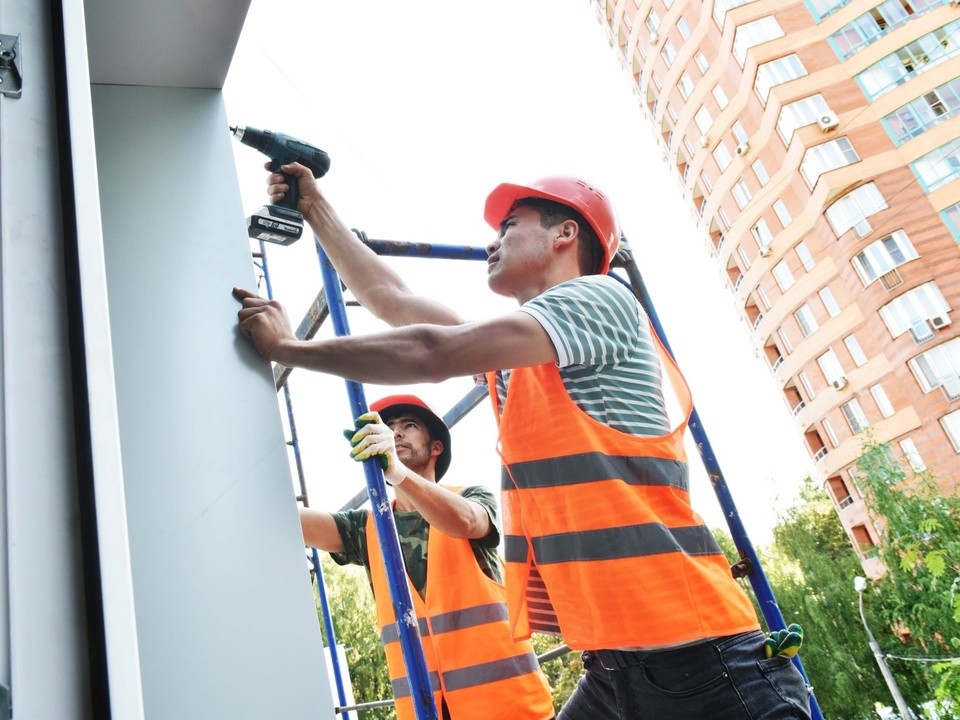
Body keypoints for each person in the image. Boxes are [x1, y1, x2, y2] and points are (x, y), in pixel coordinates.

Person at [234, 165, 812, 719]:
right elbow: (392, 299)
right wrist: (313, 206)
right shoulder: (520, 362)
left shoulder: (599, 299)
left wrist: (288, 350)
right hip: (617, 664)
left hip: (699, 656)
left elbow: (432, 351)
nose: (493, 241)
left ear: (567, 233)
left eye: (510, 226)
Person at [298, 393, 554, 720]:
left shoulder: (471, 497)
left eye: (409, 425)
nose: (396, 433)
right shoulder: (365, 528)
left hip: (506, 707)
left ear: (435, 448)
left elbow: (469, 522)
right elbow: (290, 519)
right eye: (388, 427)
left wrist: (398, 473)